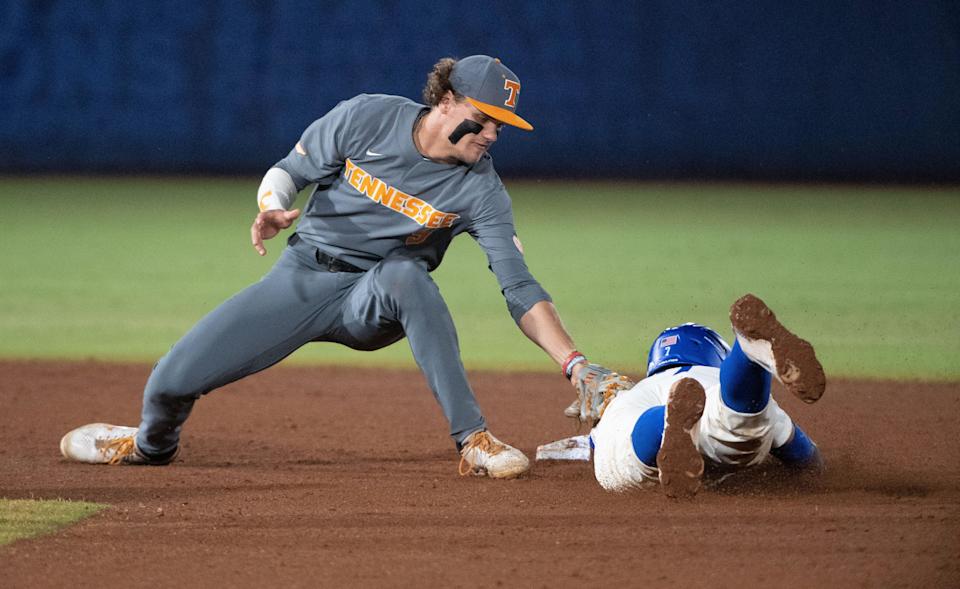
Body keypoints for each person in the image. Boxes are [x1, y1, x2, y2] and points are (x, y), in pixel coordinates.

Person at [60, 55, 602, 479]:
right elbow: (289, 170)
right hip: (302, 277)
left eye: (501, 128)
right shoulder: (368, 117)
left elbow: (518, 286)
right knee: (169, 383)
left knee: (404, 274)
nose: (491, 136)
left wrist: (574, 364)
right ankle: (149, 447)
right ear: (447, 100)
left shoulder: (482, 190)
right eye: (485, 120)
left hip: (374, 299)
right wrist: (271, 204)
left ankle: (474, 440)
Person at [565, 293, 826, 497]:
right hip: (711, 396)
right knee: (740, 416)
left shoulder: (631, 394)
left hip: (635, 411)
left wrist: (599, 423)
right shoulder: (712, 378)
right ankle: (747, 352)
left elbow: (597, 446)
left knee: (623, 457)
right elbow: (805, 459)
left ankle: (663, 423)